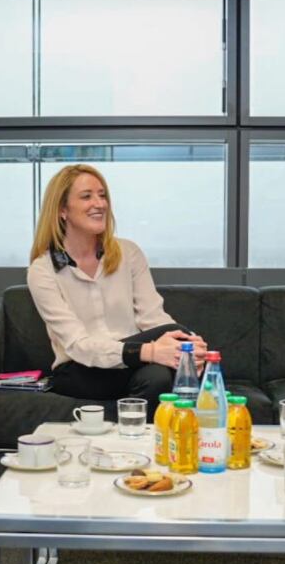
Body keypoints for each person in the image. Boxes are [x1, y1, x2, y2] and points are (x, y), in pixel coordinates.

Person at [27, 164, 206, 412]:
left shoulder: (128, 253)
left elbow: (153, 318)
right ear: (62, 210)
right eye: (87, 196)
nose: (99, 204)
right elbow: (79, 345)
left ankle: (146, 447)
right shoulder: (42, 270)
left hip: (130, 364)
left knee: (158, 377)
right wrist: (153, 350)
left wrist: (176, 350)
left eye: (102, 195)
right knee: (179, 336)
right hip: (80, 369)